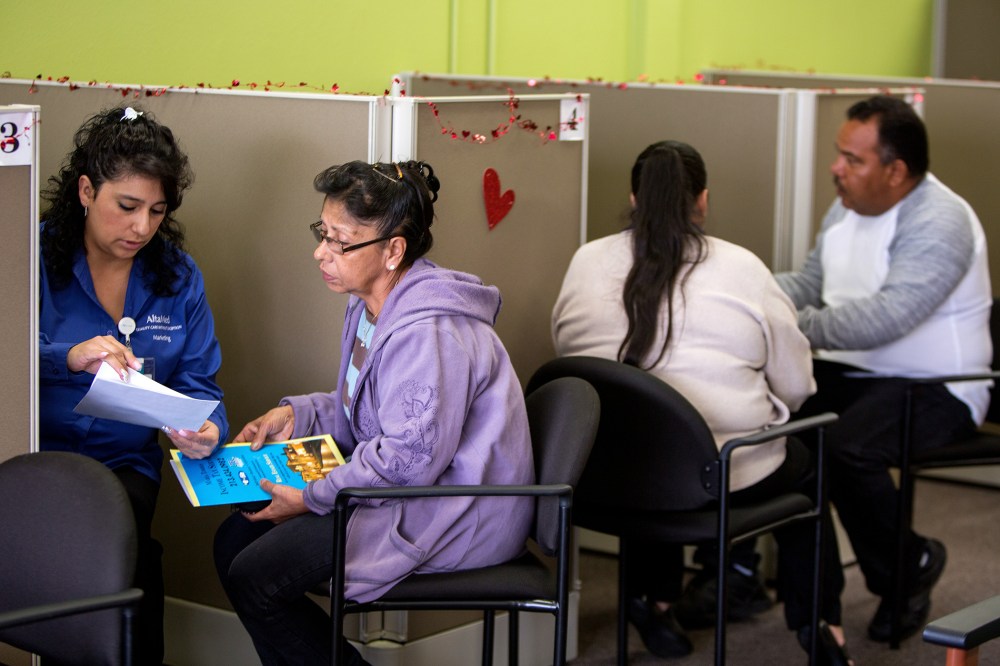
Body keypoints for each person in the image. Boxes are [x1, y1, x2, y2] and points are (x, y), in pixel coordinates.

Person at [213, 160, 534, 665]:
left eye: (340, 241)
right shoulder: (371, 305)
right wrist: (297, 416)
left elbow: (408, 458)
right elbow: (369, 413)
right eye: (323, 232)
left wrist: (310, 497)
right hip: (410, 488)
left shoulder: (427, 332)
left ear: (393, 251)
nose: (321, 251)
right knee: (236, 539)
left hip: (455, 510)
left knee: (257, 576)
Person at [552, 140, 850, 662]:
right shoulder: (744, 270)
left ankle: (654, 601)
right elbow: (799, 387)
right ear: (703, 201)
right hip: (718, 479)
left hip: (606, 476)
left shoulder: (585, 261)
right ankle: (820, 626)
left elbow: (569, 355)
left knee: (648, 433)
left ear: (633, 197)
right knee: (810, 458)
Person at [776, 94, 992, 642]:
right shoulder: (846, 206)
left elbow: (886, 319)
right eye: (838, 154)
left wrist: (790, 323)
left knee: (848, 447)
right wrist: (751, 293)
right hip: (857, 376)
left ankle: (908, 567)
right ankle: (817, 618)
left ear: (896, 172)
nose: (836, 168)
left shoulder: (941, 220)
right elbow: (811, 284)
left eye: (853, 159)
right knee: (785, 439)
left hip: (940, 386)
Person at [38, 105, 229, 665]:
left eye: (156, 211)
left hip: (126, 463)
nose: (141, 228)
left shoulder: (177, 274)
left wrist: (206, 431)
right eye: (126, 207)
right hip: (33, 450)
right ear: (85, 191)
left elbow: (199, 380)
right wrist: (66, 357)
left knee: (123, 535)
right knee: (106, 549)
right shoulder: (29, 254)